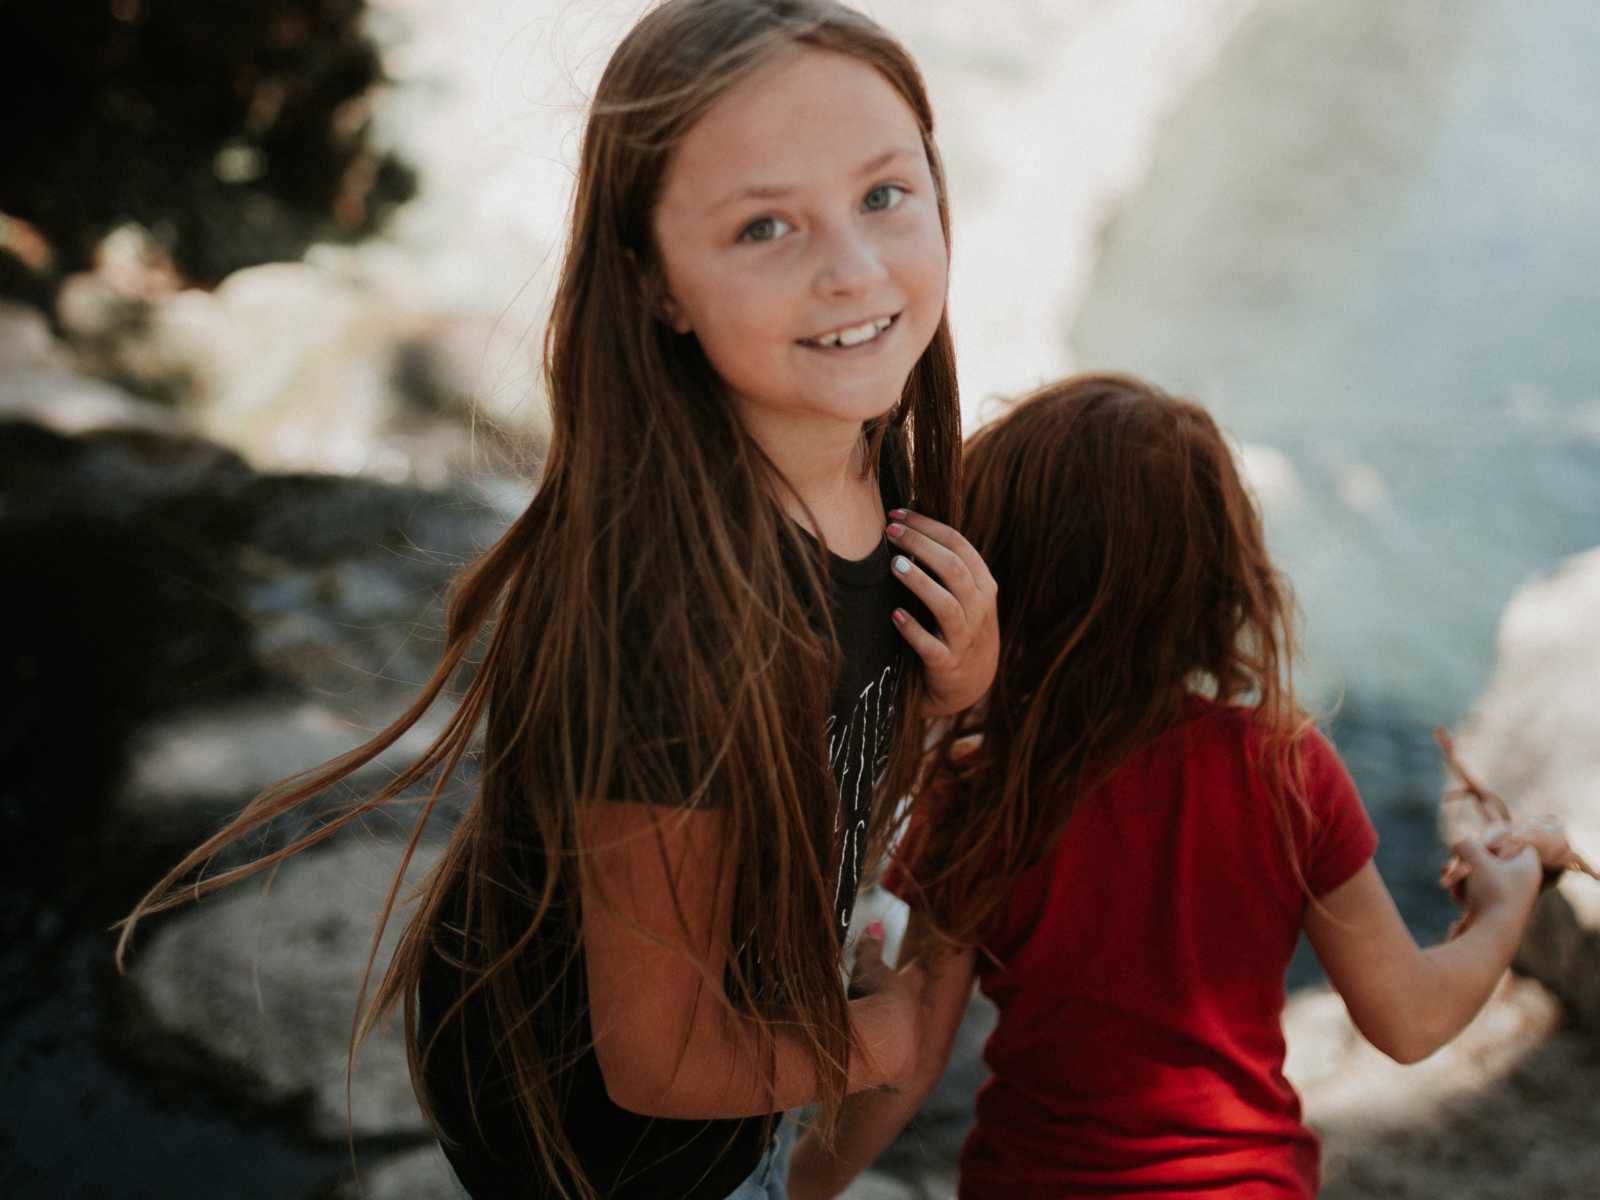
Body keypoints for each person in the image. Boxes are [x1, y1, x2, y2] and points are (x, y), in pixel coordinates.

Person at [116, 3, 1000, 1198]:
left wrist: (955, 690)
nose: (852, 265)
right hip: (615, 1156)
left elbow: (825, 752)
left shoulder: (858, 459)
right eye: (764, 226)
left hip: (739, 1043)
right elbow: (663, 1059)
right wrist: (890, 1045)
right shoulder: (675, 623)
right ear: (657, 287)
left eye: (885, 193)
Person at [786, 374, 1542, 1200]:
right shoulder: (1285, 771)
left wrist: (789, 1190)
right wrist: (1501, 908)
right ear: (1223, 582)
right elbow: (1410, 1019)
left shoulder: (981, 790)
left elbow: (913, 1063)